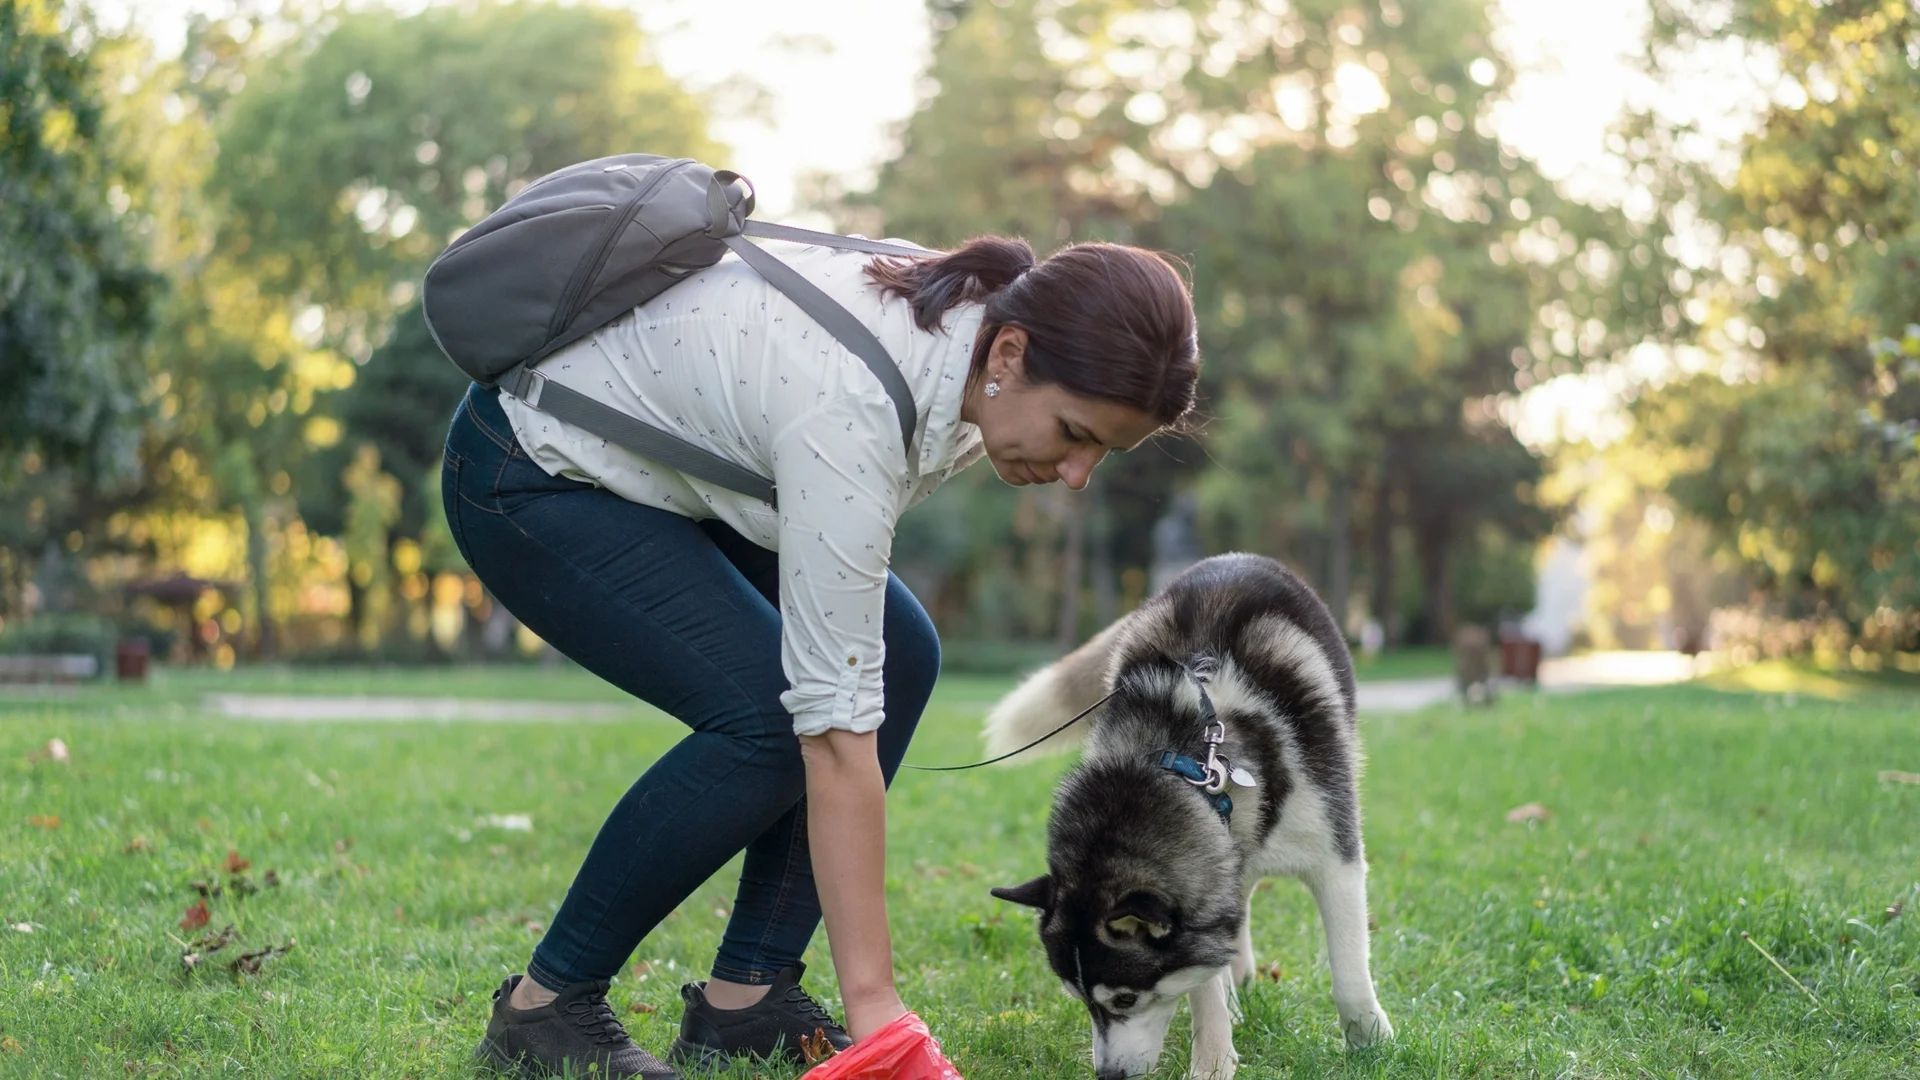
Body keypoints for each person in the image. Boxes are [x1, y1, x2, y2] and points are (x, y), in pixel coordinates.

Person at [446, 232, 1201, 1078]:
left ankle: (746, 999)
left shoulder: (971, 343)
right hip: (532, 472)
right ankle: (542, 1011)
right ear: (1013, 352)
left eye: (1102, 451)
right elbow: (834, 735)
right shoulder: (856, 406)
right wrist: (879, 1011)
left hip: (676, 481)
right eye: (1074, 433)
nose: (1076, 474)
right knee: (770, 719)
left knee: (900, 652)